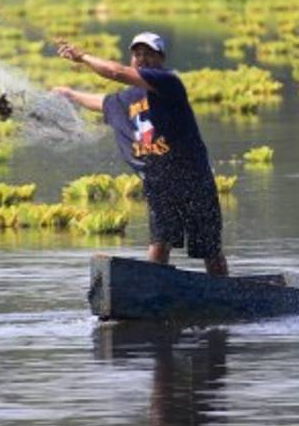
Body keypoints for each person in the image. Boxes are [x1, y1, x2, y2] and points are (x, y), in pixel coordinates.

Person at [52, 32, 228, 277]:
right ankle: (153, 287)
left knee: (209, 247)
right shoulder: (126, 98)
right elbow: (103, 103)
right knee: (159, 242)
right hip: (159, 181)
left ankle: (222, 293)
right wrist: (70, 95)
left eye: (149, 54)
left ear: (161, 59)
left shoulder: (168, 82)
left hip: (193, 178)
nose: (142, 58)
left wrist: (82, 57)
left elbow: (116, 72)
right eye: (137, 54)